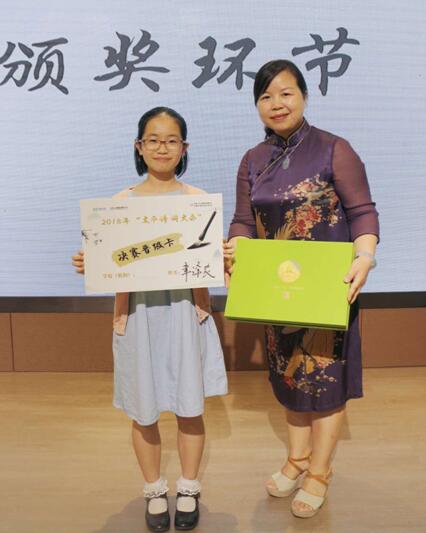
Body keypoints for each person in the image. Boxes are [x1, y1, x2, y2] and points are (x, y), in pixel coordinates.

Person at [224, 60, 379, 519]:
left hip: (328, 289)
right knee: (289, 376)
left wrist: (365, 257)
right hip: (278, 291)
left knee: (324, 379)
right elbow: (243, 221)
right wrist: (235, 249)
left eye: (286, 93)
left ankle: (320, 472)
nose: (276, 103)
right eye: (266, 96)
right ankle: (296, 459)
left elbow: (363, 212)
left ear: (304, 97)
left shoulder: (334, 149)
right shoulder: (252, 159)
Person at [72, 107, 227, 532]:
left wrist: (226, 257)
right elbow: (108, 261)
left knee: (190, 407)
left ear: (184, 148)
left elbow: (212, 263)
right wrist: (92, 261)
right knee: (143, 411)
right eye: (153, 140)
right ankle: (155, 490)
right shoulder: (119, 206)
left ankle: (189, 487)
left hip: (186, 316)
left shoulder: (198, 203)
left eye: (171, 140)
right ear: (139, 146)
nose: (162, 147)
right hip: (137, 318)